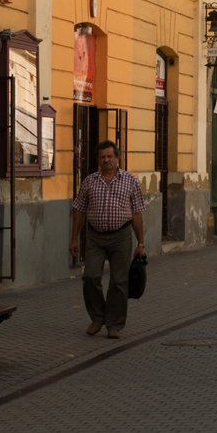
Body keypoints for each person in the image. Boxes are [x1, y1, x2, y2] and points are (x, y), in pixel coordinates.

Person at [69, 140, 145, 339]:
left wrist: (141, 243)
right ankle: (98, 317)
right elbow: (79, 210)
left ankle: (114, 324)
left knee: (119, 281)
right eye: (102, 157)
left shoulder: (130, 181)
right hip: (95, 236)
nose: (106, 160)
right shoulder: (89, 181)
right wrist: (74, 239)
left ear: (117, 159)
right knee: (90, 276)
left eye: (110, 156)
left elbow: (137, 213)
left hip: (121, 236)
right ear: (98, 160)